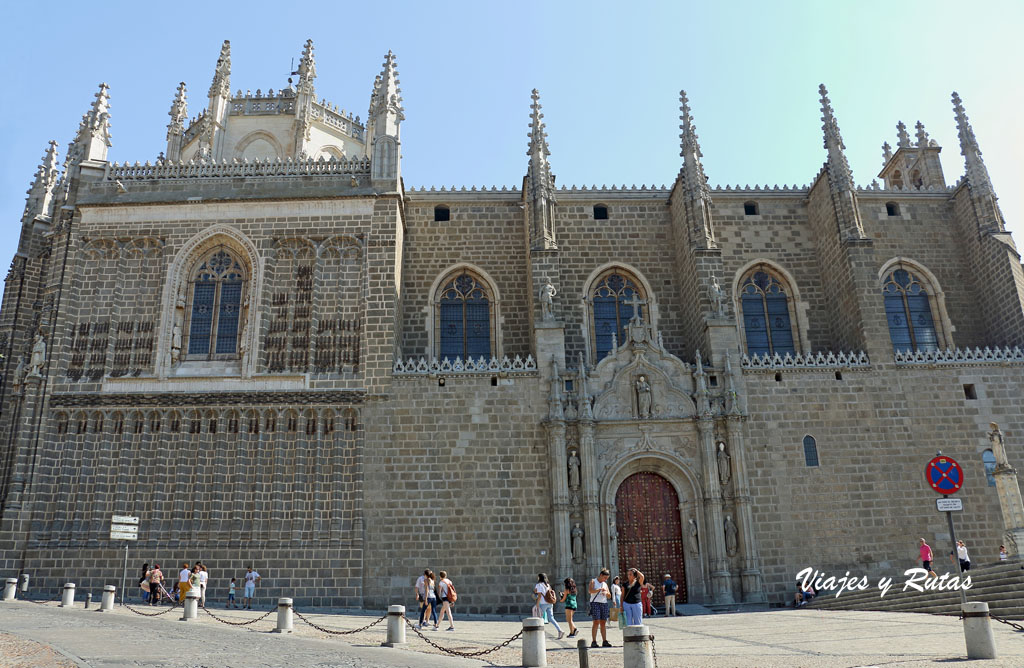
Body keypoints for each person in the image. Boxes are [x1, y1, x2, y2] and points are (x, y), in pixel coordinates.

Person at [533, 573, 564, 640]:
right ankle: (560, 630)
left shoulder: (539, 585)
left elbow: (539, 596)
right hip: (549, 603)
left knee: (539, 618)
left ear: (539, 578)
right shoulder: (548, 585)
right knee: (551, 618)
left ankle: (538, 633)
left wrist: (537, 604)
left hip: (543, 603)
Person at [587, 568, 612, 648]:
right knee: (596, 622)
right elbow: (590, 591)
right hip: (595, 603)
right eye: (604, 578)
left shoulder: (605, 584)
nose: (605, 580)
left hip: (604, 603)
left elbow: (609, 595)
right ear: (601, 575)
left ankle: (604, 640)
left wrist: (606, 593)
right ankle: (594, 641)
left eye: (606, 578)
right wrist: (599, 590)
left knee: (603, 622)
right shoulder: (593, 581)